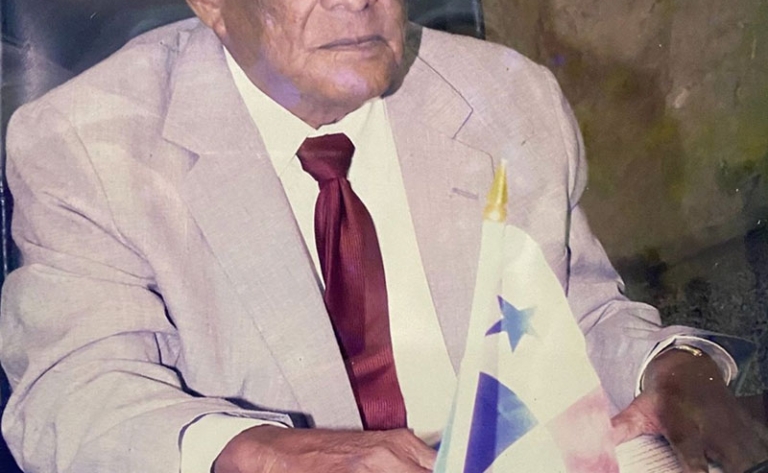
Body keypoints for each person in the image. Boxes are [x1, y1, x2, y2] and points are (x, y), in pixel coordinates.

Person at [1, 0, 767, 471]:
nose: (357, 1)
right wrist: (262, 453)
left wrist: (675, 365)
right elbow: (72, 395)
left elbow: (571, 313)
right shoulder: (88, 143)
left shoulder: (507, 97)